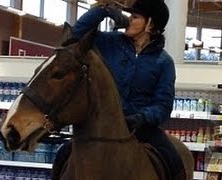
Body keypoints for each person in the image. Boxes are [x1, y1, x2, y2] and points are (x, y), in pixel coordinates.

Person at [52, 0, 184, 179]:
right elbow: (75, 36)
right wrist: (103, 12)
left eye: (135, 17)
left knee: (174, 161)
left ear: (151, 25)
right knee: (62, 155)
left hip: (140, 128)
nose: (129, 20)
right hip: (103, 125)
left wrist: (141, 117)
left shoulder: (164, 62)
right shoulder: (110, 42)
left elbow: (163, 105)